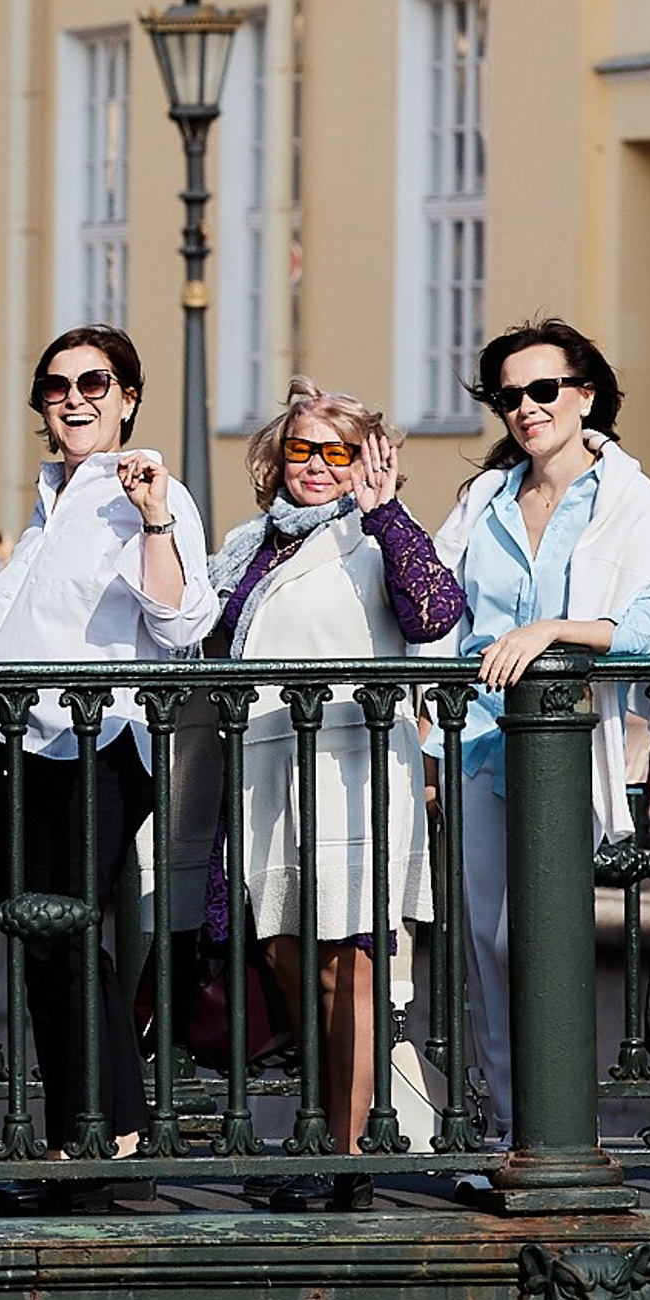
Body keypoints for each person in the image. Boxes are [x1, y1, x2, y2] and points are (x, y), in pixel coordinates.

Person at [0, 324, 216, 1215]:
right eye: (57, 386)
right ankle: (85, 1135)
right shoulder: (50, 500)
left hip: (90, 746)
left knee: (67, 936)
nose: (75, 398)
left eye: (95, 383)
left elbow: (181, 624)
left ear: (130, 396)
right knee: (46, 942)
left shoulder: (149, 492)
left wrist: (152, 516)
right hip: (16, 745)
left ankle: (109, 1137)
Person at [203, 379, 466, 1210]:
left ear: (366, 461)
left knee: (344, 967)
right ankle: (323, 1125)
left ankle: (348, 1149)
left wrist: (388, 513)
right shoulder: (249, 543)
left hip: (350, 768)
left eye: (336, 452)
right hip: (263, 772)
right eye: (301, 449)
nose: (315, 466)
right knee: (285, 954)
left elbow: (437, 617)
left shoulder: (378, 540)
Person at [433, 318, 650, 1163]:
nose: (527, 409)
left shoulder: (626, 496)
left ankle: (564, 1128)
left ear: (585, 394)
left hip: (570, 743)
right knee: (487, 943)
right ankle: (508, 1134)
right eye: (510, 397)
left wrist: (553, 630)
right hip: (479, 743)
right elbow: (441, 618)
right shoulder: (484, 501)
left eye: (544, 390)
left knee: (544, 937)